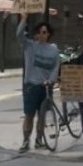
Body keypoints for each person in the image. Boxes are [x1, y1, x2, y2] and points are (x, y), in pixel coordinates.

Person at [16, 15, 61, 153]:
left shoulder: (54, 50)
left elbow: (55, 67)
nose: (42, 34)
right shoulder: (29, 46)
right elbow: (19, 35)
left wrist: (51, 80)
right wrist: (24, 19)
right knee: (29, 115)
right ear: (36, 33)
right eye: (40, 32)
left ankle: (39, 140)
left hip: (46, 87)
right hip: (32, 86)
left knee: (42, 116)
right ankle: (25, 140)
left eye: (45, 32)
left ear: (49, 34)